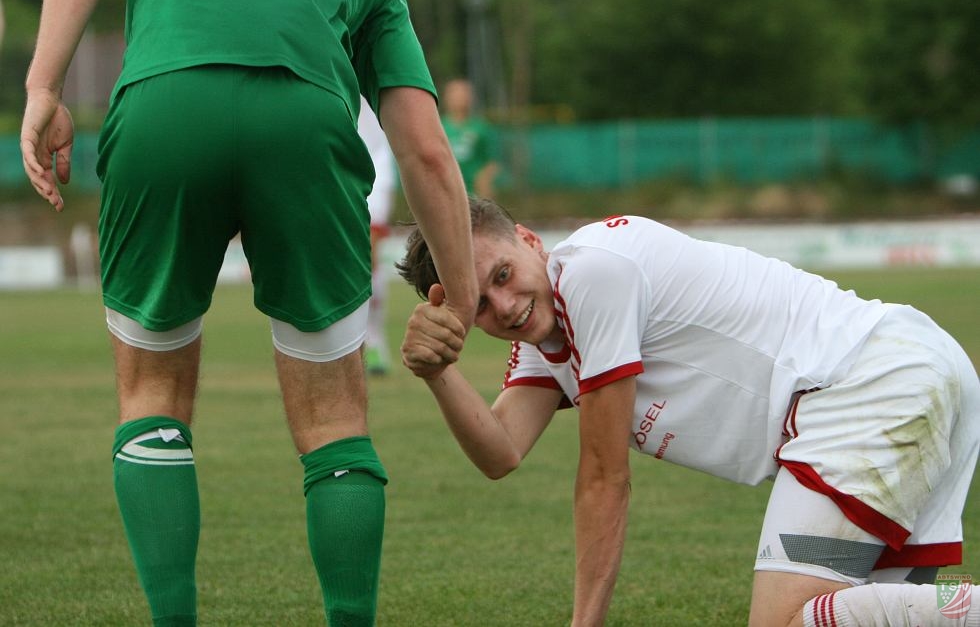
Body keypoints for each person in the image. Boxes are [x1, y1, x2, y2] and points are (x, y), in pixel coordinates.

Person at [19, 0, 478, 625]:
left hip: (166, 107)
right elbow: (426, 150)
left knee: (152, 395)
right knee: (334, 417)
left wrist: (43, 88)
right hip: (305, 121)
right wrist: (461, 294)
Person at [397, 196, 980, 627]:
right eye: (480, 304)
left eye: (503, 275)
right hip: (909, 368)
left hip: (866, 383)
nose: (506, 305)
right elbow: (501, 450)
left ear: (528, 240)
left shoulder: (592, 273)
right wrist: (437, 371)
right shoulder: (548, 333)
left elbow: (604, 478)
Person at [358, 97, 396, 375]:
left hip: (376, 160)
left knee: (368, 252)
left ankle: (374, 341)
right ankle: (349, 341)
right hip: (330, 153)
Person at [440, 78, 499, 198]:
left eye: (464, 93)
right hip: (447, 194)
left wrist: (485, 181)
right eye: (455, 93)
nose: (460, 97)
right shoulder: (438, 127)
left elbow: (492, 161)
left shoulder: (481, 127)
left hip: (474, 195)